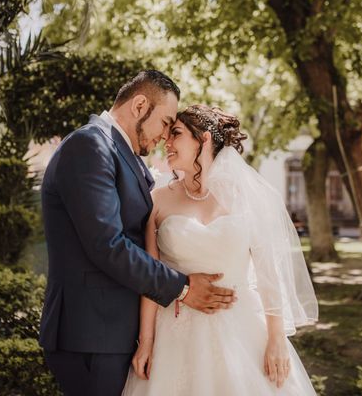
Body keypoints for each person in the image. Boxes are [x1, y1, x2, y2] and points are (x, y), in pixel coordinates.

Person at [38, 71, 236, 396]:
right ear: (140, 104)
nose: (165, 136)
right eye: (165, 122)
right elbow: (108, 245)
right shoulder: (90, 146)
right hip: (91, 333)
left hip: (109, 330)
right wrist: (183, 288)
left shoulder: (119, 151)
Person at [123, 105, 319, 395]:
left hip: (241, 329)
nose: (167, 142)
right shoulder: (158, 201)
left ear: (203, 139)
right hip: (175, 332)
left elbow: (268, 273)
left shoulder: (247, 197)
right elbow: (150, 279)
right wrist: (147, 342)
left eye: (176, 134)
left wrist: (276, 338)